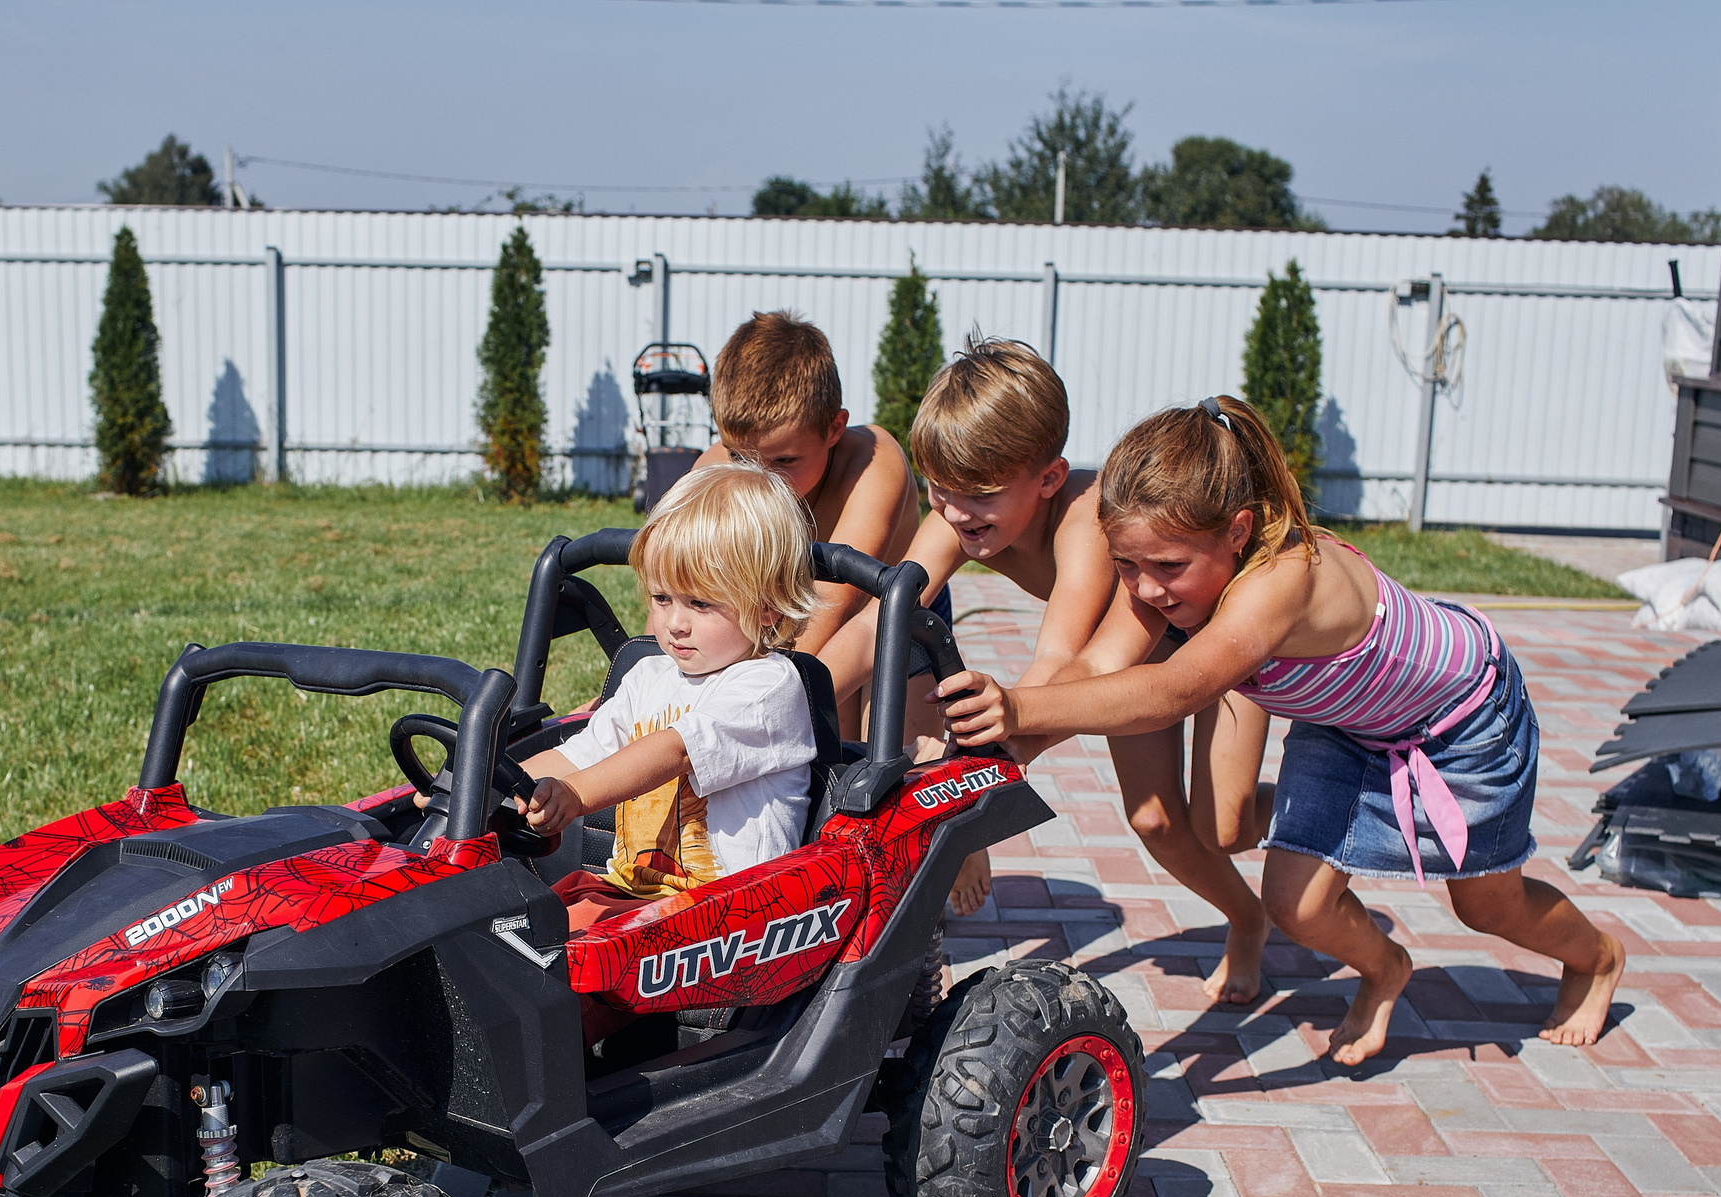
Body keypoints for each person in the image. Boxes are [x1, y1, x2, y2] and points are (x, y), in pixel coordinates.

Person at [933, 395, 1626, 1065]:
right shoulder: (1165, 571)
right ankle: (1387, 966)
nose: (1145, 590)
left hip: (1462, 724)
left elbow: (1177, 688)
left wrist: (1021, 710)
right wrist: (1003, 749)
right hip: (1347, 727)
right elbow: (1098, 666)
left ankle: (1597, 958)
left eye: (1166, 568)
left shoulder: (1281, 579)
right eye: (1126, 566)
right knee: (1294, 903)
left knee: (1485, 903)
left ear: (1236, 531)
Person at [879, 338, 1273, 983]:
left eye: (976, 491)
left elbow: (1061, 660)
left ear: (1048, 478)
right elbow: (885, 616)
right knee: (1156, 822)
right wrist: (798, 674)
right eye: (939, 490)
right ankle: (1248, 916)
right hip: (1140, 649)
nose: (951, 509)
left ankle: (1321, 809)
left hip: (1220, 647)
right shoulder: (962, 515)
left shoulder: (1084, 515)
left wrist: (966, 779)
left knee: (1222, 823)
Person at [521, 460, 822, 943]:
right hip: (635, 894)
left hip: (735, 917)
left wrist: (574, 795)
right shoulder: (648, 676)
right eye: (662, 598)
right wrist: (485, 785)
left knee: (551, 966)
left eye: (700, 604)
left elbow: (675, 751)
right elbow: (577, 754)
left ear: (767, 607)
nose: (675, 623)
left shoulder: (767, 686)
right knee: (513, 925)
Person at [690, 311, 924, 730]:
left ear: (834, 428)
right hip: (777, 620)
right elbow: (680, 590)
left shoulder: (873, 461)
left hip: (891, 620)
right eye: (741, 458)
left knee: (895, 765)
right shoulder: (714, 468)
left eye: (783, 461)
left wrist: (745, 702)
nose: (760, 479)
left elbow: (833, 607)